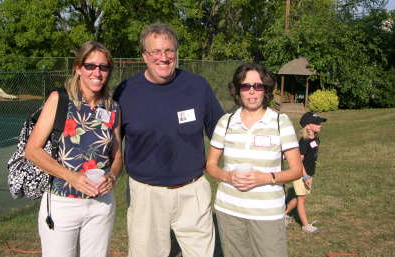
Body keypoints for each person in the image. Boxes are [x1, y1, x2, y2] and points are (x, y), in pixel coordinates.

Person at [113, 23, 224, 257]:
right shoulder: (125, 91)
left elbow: (221, 133)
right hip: (146, 195)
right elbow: (111, 144)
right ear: (144, 56)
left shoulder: (197, 86)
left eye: (169, 50)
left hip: (192, 190)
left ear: (176, 52)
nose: (163, 57)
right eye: (155, 51)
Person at [24, 41, 122, 257]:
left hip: (100, 205)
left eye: (103, 67)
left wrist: (113, 178)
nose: (97, 72)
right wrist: (72, 177)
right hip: (62, 203)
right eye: (90, 66)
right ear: (78, 68)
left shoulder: (112, 107)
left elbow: (117, 156)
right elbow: (32, 150)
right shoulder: (59, 100)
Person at [206, 63, 302, 257]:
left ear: (265, 89)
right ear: (238, 90)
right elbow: (211, 165)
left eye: (257, 86)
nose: (251, 92)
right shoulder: (226, 122)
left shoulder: (279, 122)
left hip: (267, 214)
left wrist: (265, 178)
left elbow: (297, 170)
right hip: (229, 211)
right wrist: (228, 176)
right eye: (245, 86)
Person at [285, 111, 327, 234]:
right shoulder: (304, 141)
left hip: (308, 173)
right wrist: (306, 176)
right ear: (308, 125)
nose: (320, 125)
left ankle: (284, 214)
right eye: (317, 123)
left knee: (300, 198)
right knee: (301, 198)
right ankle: (305, 226)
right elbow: (298, 161)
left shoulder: (316, 138)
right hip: (300, 173)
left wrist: (310, 174)